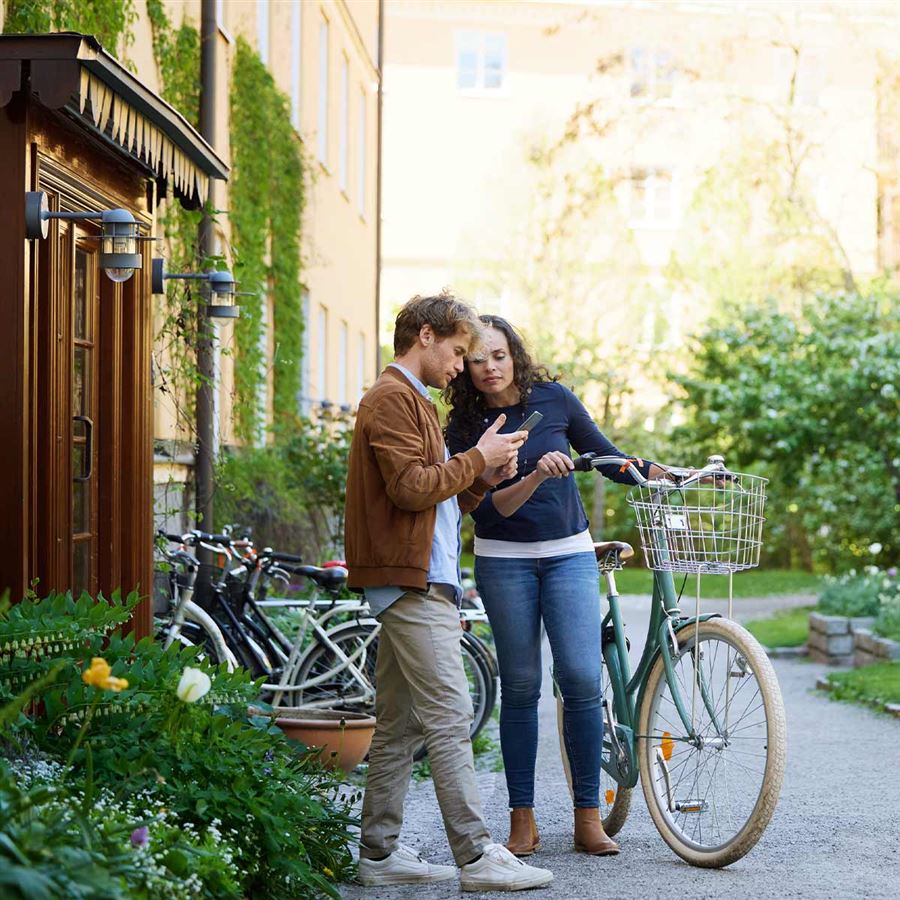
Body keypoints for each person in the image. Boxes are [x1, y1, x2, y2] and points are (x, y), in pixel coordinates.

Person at [344, 292, 554, 892]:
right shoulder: (391, 398)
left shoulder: (412, 402)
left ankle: (379, 854)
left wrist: (482, 476)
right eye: (459, 352)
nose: (462, 366)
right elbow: (411, 488)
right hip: (409, 585)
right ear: (428, 336)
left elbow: (432, 501)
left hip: (422, 578)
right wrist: (474, 456)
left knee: (400, 723)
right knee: (449, 712)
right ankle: (476, 855)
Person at [445, 315, 673, 859]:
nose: (488, 369)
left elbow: (607, 456)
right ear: (466, 368)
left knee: (579, 676)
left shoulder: (554, 399)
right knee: (521, 686)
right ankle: (522, 819)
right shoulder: (465, 426)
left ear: (514, 353)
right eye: (476, 361)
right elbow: (489, 514)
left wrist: (661, 471)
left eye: (497, 355)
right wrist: (535, 475)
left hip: (569, 553)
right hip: (504, 562)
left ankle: (588, 818)